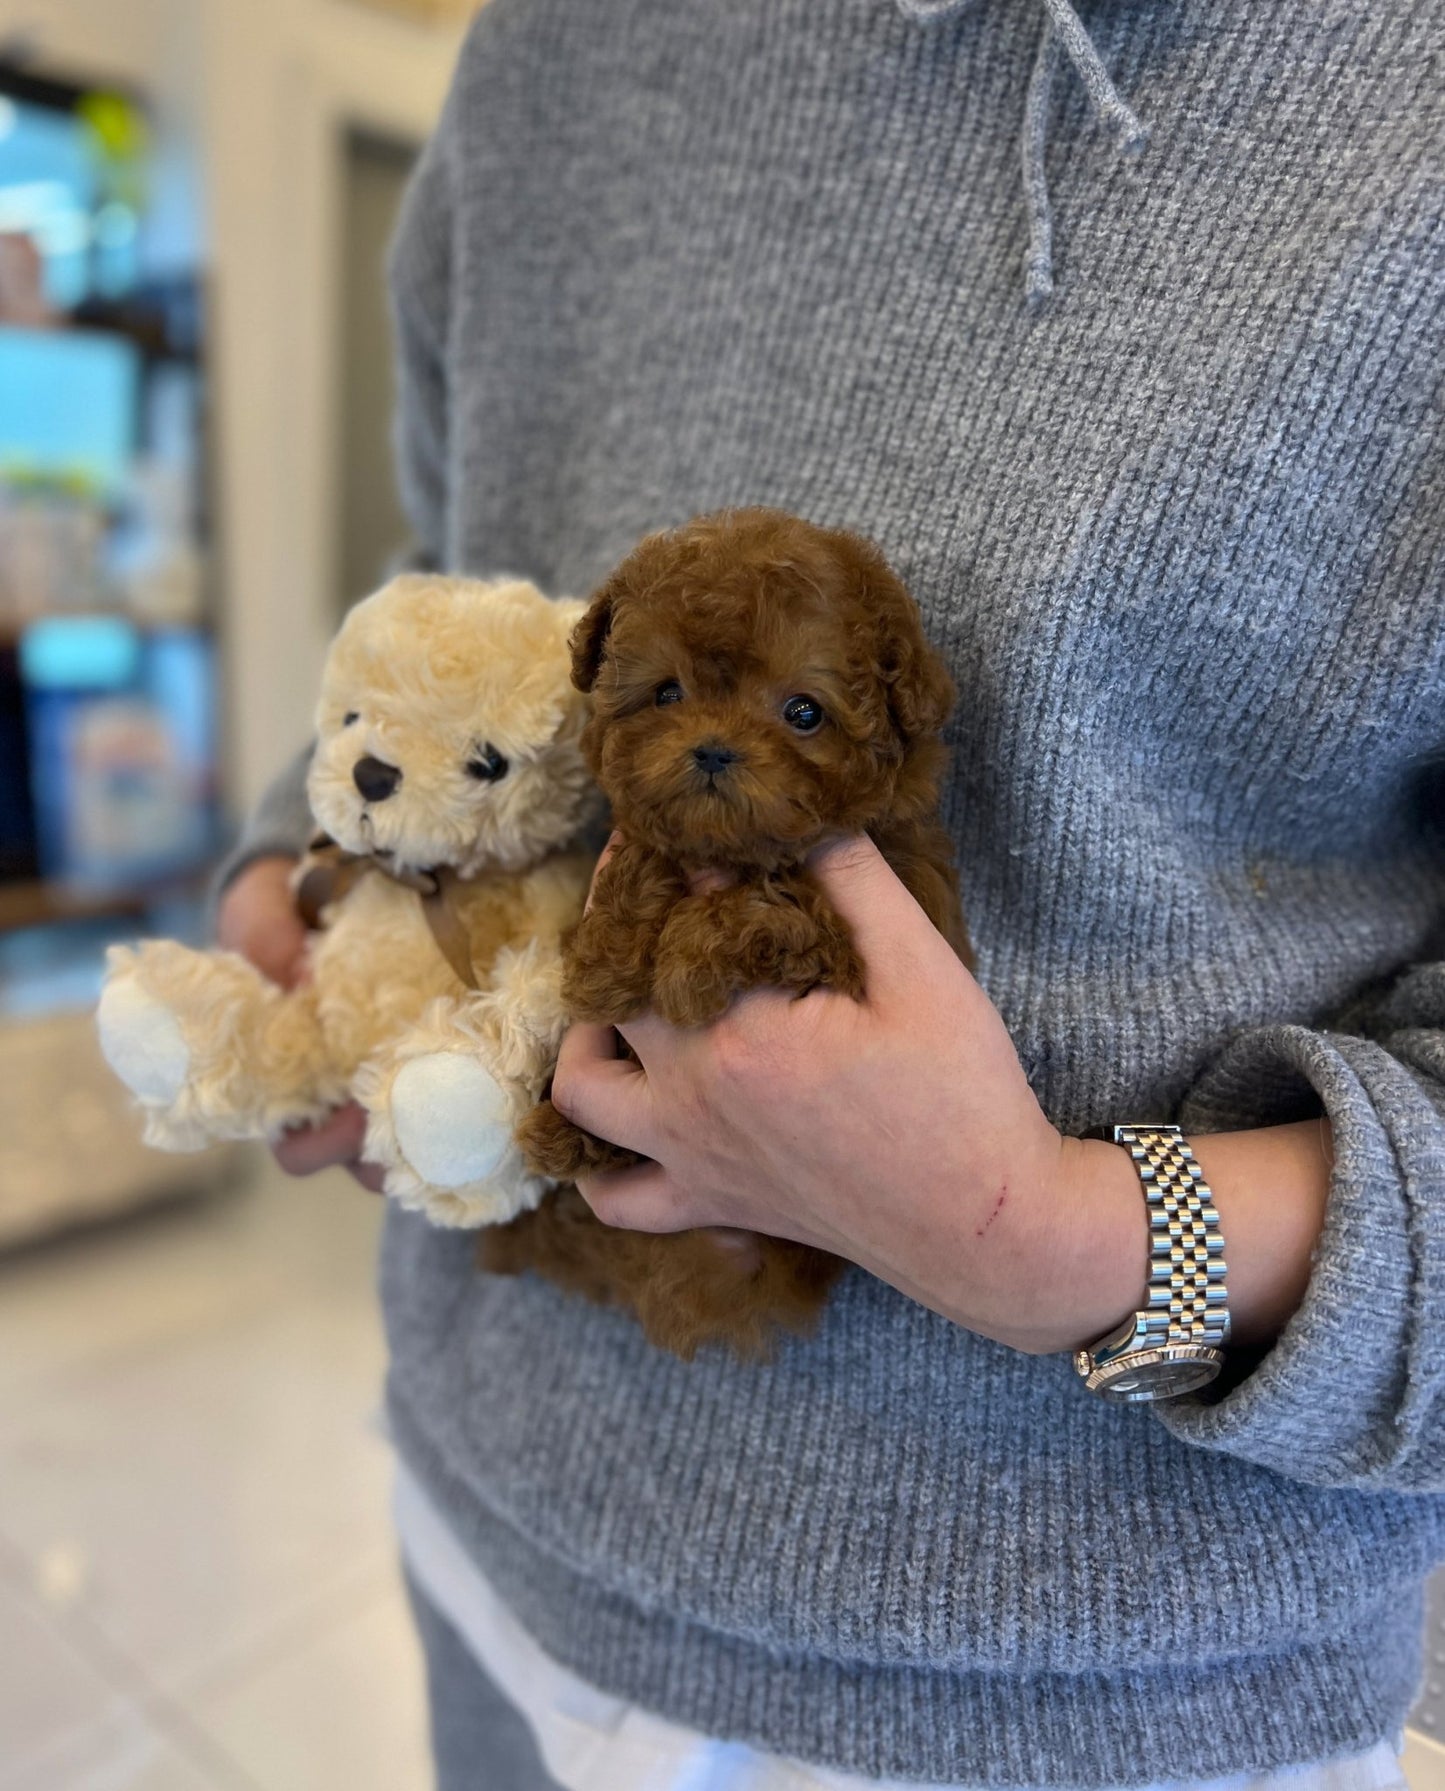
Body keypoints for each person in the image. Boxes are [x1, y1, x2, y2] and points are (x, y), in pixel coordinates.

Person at [217, 1, 1445, 1786]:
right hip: (491, 1504)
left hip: (1079, 1690)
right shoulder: (546, 44)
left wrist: (1059, 1239)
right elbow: (453, 562)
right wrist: (309, 845)